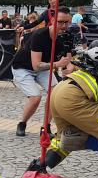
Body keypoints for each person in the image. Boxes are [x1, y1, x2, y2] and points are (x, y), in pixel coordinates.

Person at [12, 7, 74, 138]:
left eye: (67, 22)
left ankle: (45, 127)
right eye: (60, 22)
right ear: (52, 20)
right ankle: (22, 123)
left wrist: (69, 67)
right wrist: (58, 64)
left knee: (55, 93)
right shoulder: (40, 35)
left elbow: (68, 58)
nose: (64, 26)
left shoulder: (67, 36)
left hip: (45, 67)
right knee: (36, 97)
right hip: (23, 67)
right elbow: (36, 65)